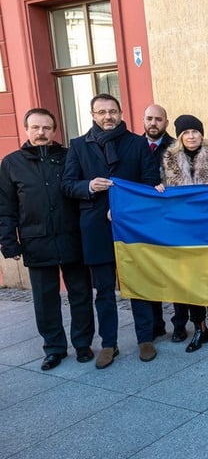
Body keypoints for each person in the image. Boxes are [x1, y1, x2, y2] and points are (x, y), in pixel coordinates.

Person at [62, 93, 161, 369]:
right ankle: (109, 343)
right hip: (96, 228)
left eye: (113, 111)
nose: (108, 116)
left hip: (131, 226)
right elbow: (68, 185)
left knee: (138, 285)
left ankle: (145, 338)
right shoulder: (79, 146)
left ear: (120, 112)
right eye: (102, 112)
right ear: (93, 115)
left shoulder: (137, 143)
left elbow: (151, 182)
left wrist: (124, 207)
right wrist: (89, 186)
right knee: (104, 290)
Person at [0, 108, 94, 370]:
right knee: (45, 299)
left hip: (71, 237)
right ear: (26, 129)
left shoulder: (68, 157)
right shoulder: (11, 163)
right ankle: (54, 348)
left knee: (81, 293)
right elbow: (6, 207)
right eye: (35, 128)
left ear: (54, 131)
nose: (41, 133)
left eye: (46, 128)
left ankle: (83, 343)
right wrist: (8, 241)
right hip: (36, 240)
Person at [155, 115, 208, 352]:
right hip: (183, 230)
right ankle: (200, 327)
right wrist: (159, 188)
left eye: (195, 132)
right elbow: (165, 193)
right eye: (186, 133)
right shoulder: (168, 160)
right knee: (191, 280)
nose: (191, 136)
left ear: (201, 134)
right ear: (180, 136)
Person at [140, 104, 185, 342]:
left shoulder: (177, 146)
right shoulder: (133, 146)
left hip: (173, 220)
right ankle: (156, 323)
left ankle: (179, 324)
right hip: (145, 221)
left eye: (158, 119)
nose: (154, 123)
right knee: (151, 273)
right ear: (143, 120)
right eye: (150, 118)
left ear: (166, 122)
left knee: (177, 273)